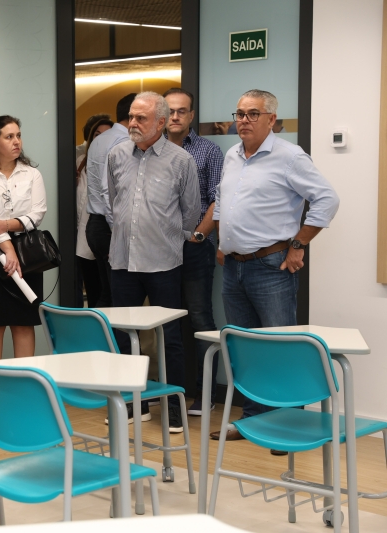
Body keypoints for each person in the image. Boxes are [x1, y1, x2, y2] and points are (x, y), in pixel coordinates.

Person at [210, 89, 339, 450]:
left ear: (271, 120)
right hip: (235, 268)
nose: (244, 120)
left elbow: (327, 198)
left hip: (271, 266)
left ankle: (288, 426)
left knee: (282, 348)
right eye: (239, 113)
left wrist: (299, 244)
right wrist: (222, 242)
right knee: (246, 350)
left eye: (253, 114)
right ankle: (252, 420)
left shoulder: (289, 156)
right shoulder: (232, 155)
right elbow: (222, 202)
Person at [106, 92, 200, 432]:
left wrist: (167, 234)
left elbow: (190, 212)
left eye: (140, 118)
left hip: (163, 262)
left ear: (160, 122)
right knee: (124, 336)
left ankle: (173, 406)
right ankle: (134, 404)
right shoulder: (117, 155)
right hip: (122, 262)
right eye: (131, 116)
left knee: (169, 336)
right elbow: (113, 203)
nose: (132, 123)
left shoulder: (180, 161)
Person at [162, 88, 225, 416]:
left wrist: (199, 234)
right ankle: (168, 394)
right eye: (170, 111)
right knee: (163, 322)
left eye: (182, 111)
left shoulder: (208, 151)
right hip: (158, 251)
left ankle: (205, 394)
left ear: (191, 116)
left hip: (195, 247)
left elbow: (218, 198)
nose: (175, 116)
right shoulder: (148, 151)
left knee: (200, 318)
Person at [0, 115, 47, 360]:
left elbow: (38, 214)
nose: (16, 142)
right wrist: (7, 248)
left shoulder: (32, 174)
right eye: (9, 136)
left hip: (26, 248)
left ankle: (26, 384)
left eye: (18, 136)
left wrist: (6, 226)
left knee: (23, 320)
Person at [85, 93, 136, 307]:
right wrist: (118, 231)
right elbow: (109, 190)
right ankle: (113, 341)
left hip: (96, 225)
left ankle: (100, 340)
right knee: (120, 296)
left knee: (108, 294)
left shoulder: (100, 139)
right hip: (110, 227)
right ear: (132, 115)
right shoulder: (123, 141)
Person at [76, 118, 113, 307]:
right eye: (98, 135)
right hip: (83, 238)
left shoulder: (119, 163)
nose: (102, 140)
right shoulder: (80, 163)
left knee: (109, 292)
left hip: (108, 237)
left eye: (107, 135)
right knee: (92, 292)